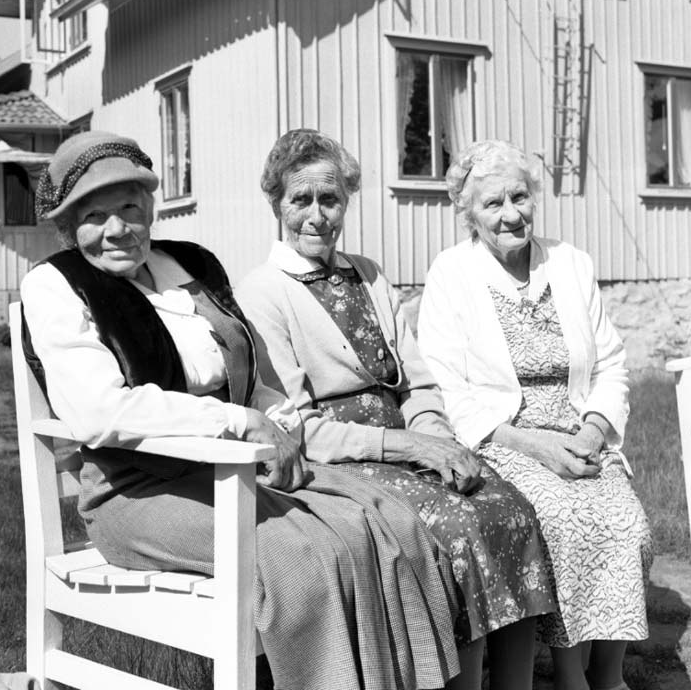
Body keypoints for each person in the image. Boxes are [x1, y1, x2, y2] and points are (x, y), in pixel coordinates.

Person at [19, 130, 467, 690]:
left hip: (235, 472)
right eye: (93, 216)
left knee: (389, 523)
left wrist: (280, 426)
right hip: (136, 490)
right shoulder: (54, 285)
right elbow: (99, 411)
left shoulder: (191, 267)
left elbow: (254, 381)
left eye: (129, 208)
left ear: (150, 210)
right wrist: (237, 424)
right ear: (68, 228)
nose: (117, 229)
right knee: (303, 558)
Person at [235, 129, 557, 690]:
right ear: (275, 203)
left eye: (331, 199)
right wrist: (409, 446)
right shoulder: (262, 292)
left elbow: (417, 379)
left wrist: (436, 439)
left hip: (411, 446)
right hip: (340, 464)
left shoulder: (368, 272)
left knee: (509, 509)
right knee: (456, 530)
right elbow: (297, 427)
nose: (317, 216)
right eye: (301, 200)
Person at [417, 140, 653, 690]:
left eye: (519, 197)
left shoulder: (570, 262)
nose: (510, 214)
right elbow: (447, 386)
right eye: (492, 203)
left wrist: (594, 428)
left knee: (627, 523)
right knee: (562, 520)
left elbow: (611, 364)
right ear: (469, 214)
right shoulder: (452, 272)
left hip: (579, 433)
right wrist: (535, 446)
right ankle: (570, 675)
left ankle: (609, 674)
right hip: (504, 441)